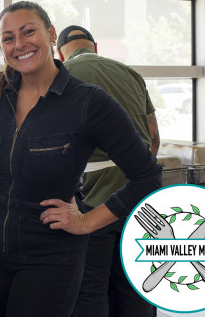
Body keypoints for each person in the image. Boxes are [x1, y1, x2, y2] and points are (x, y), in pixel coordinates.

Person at [0, 1, 162, 317]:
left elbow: (147, 176)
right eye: (8, 38)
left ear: (51, 34)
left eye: (28, 31)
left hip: (49, 258)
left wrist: (87, 220)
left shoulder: (88, 102)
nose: (19, 44)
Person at [57, 25, 160, 317]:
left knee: (90, 289)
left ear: (60, 54)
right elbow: (154, 138)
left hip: (94, 201)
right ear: (95, 47)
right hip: (141, 200)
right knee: (138, 287)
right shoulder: (131, 74)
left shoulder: (62, 75)